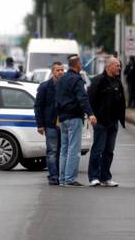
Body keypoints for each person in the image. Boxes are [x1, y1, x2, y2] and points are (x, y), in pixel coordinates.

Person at [55, 55, 97, 187]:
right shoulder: (77, 79)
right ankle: (70, 179)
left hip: (63, 118)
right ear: (77, 65)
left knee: (64, 149)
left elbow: (57, 98)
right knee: (74, 149)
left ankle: (62, 179)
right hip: (74, 117)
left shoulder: (62, 79)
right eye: (80, 63)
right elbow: (82, 98)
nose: (82, 65)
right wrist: (90, 114)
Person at [87, 57, 125, 187]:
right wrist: (91, 115)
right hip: (100, 122)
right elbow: (90, 99)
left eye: (119, 66)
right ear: (108, 67)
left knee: (109, 151)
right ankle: (93, 177)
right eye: (117, 66)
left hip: (113, 122)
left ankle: (106, 177)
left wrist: (121, 117)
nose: (119, 68)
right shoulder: (98, 81)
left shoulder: (117, 82)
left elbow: (121, 100)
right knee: (98, 149)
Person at [34, 61, 64, 185]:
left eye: (62, 70)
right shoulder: (45, 87)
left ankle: (61, 175)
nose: (61, 72)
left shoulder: (67, 86)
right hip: (50, 124)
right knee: (52, 151)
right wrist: (40, 125)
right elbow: (38, 106)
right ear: (53, 72)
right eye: (58, 70)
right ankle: (53, 176)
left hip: (64, 124)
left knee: (62, 151)